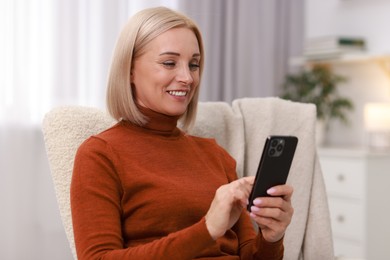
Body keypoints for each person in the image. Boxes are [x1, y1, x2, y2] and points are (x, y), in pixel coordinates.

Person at [71, 6, 294, 260]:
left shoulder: (215, 155)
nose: (187, 78)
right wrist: (207, 229)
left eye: (194, 64)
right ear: (130, 69)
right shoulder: (100, 154)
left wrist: (271, 237)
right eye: (169, 63)